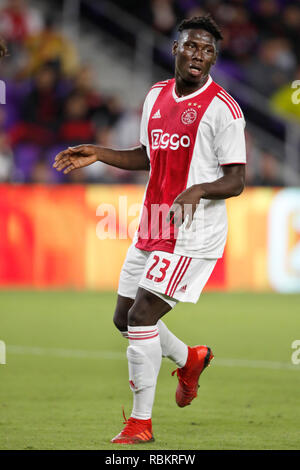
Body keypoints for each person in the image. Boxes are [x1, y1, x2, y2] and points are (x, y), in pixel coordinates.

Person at [53, 15, 246, 445]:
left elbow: (236, 180)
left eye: (208, 50)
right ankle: (189, 359)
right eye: (191, 47)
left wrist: (197, 189)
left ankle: (140, 424)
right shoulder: (156, 95)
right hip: (154, 222)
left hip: (192, 234)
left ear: (214, 58)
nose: (199, 55)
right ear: (175, 48)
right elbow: (148, 154)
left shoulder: (224, 111)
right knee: (124, 319)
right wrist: (100, 153)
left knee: (142, 318)